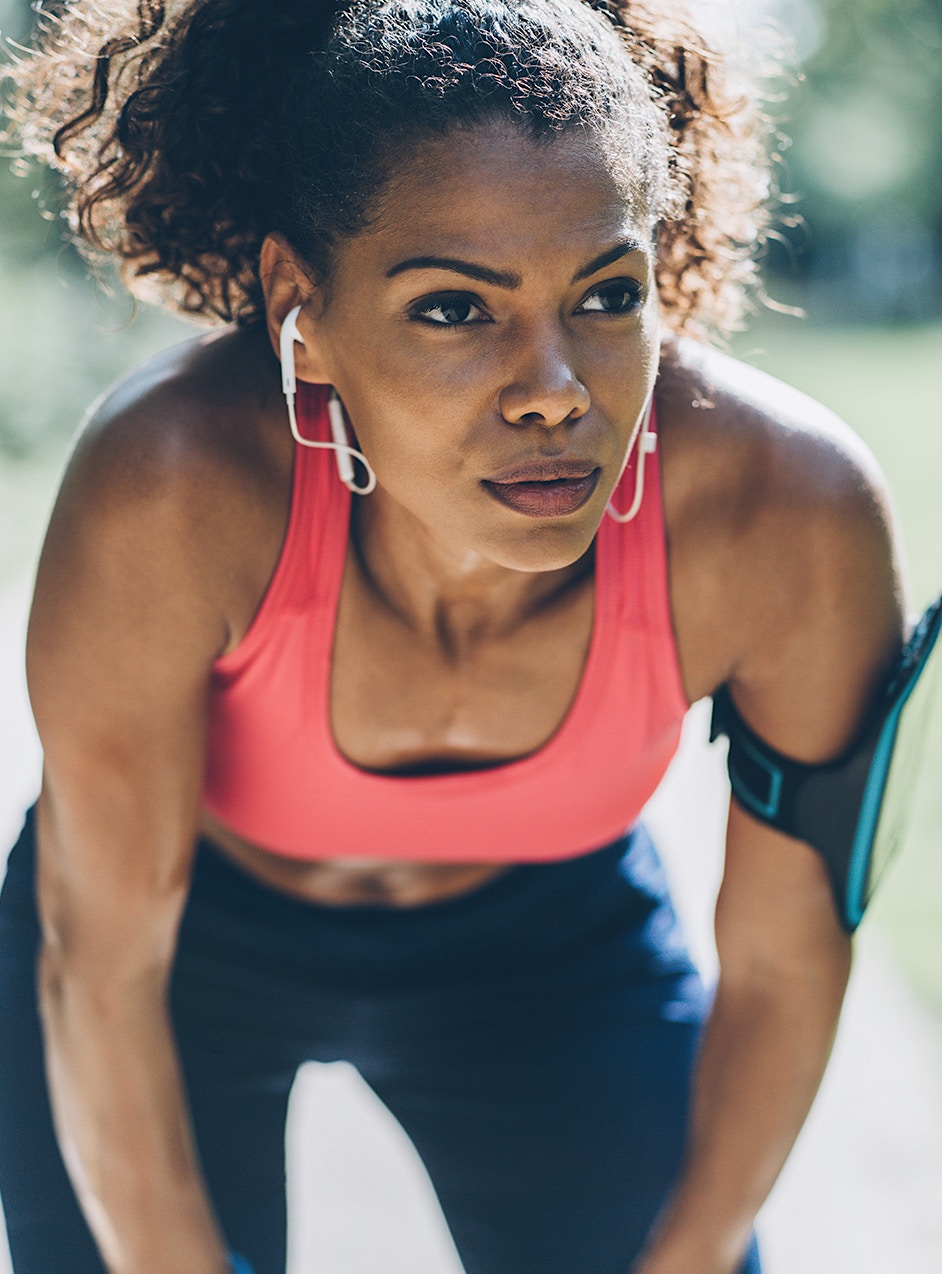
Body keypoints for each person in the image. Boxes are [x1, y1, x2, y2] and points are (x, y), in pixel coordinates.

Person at [0, 1, 904, 1272]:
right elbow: (101, 963)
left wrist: (691, 1251)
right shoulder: (173, 489)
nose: (554, 391)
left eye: (606, 294)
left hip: (548, 957)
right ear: (301, 307)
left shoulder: (786, 513)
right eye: (452, 309)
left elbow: (784, 959)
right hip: (179, 949)